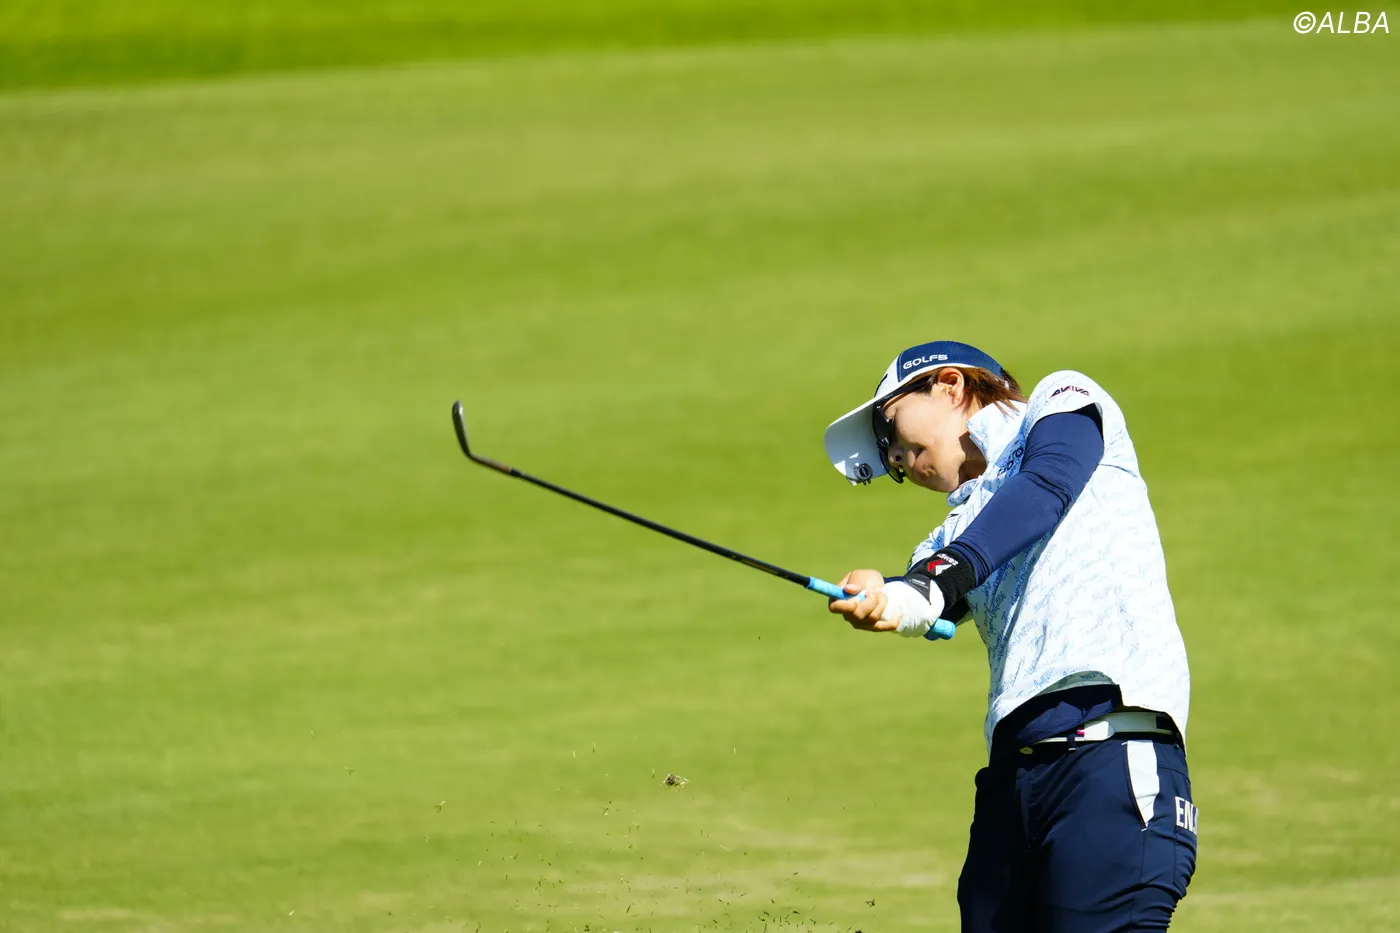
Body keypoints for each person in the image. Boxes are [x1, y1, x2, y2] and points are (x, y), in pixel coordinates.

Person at [821, 340, 1196, 932]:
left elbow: (1046, 485)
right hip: (1012, 787)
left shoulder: (1064, 400)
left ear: (949, 384)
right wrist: (881, 593)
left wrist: (931, 582)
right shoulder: (953, 531)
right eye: (888, 462)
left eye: (889, 429)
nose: (895, 459)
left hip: (1108, 761)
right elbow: (931, 592)